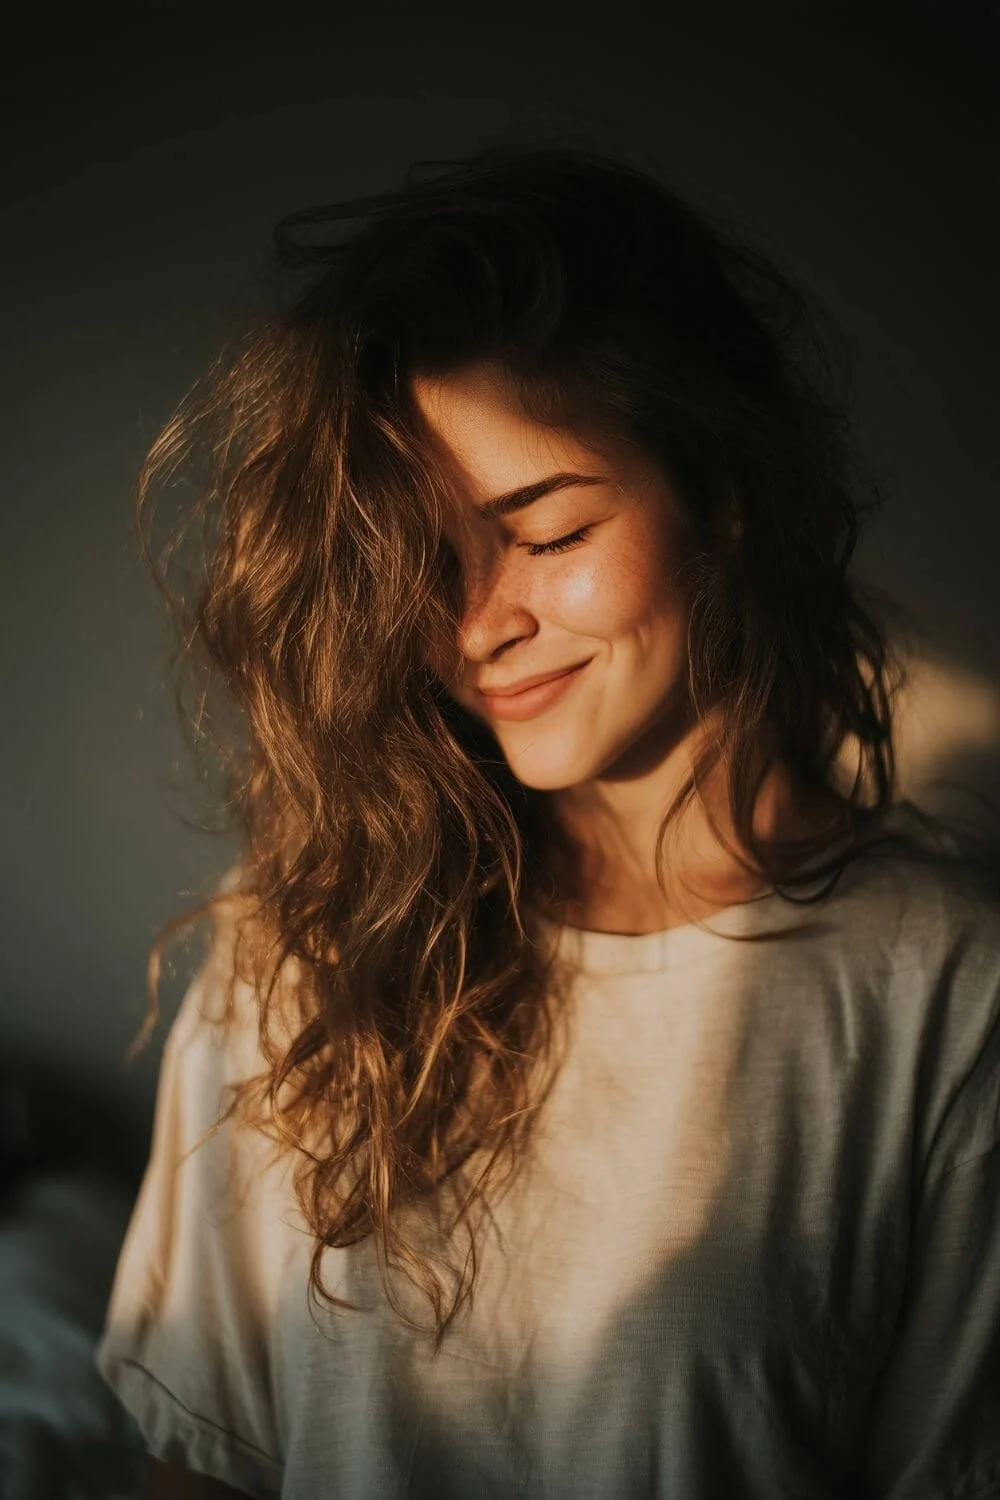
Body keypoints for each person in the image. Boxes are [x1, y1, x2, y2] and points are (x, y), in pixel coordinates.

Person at [94, 142, 1000, 1499]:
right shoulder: (307, 938)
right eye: (426, 561)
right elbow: (204, 1469)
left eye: (550, 532)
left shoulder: (944, 987)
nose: (475, 626)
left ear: (724, 498)